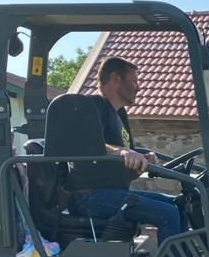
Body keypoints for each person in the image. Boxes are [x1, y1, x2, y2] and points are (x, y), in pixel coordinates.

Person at [67, 57, 185, 241]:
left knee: (179, 205)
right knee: (167, 214)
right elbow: (83, 143)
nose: (138, 87)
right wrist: (122, 152)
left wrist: (142, 161)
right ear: (115, 79)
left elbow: (124, 163)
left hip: (113, 192)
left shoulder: (119, 114)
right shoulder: (93, 106)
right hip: (90, 197)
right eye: (134, 81)